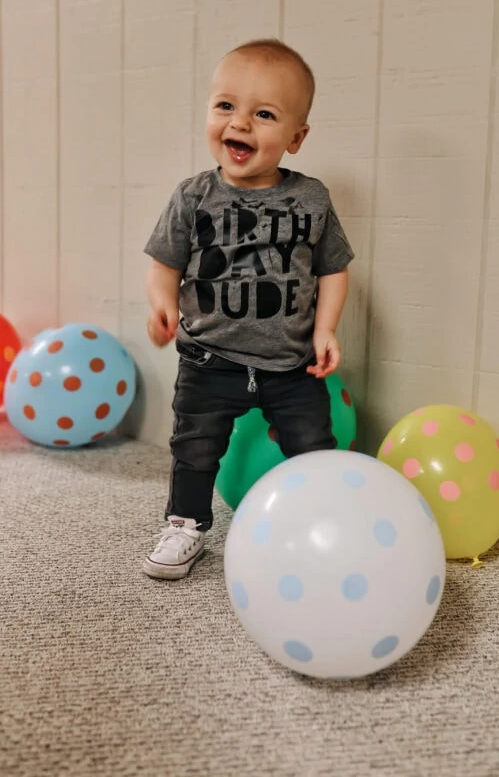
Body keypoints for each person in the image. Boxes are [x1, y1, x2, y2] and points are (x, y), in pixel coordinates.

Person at [142, 38, 354, 579]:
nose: (239, 123)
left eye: (264, 114)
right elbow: (165, 263)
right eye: (226, 106)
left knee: (313, 445)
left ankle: (320, 524)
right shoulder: (193, 196)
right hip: (209, 359)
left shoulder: (311, 199)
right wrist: (163, 305)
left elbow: (333, 269)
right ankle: (185, 525)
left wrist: (325, 329)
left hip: (291, 363)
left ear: (296, 138)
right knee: (195, 447)